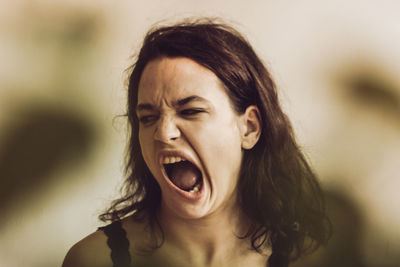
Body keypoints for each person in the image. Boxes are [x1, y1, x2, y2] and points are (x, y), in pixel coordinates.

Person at [62, 18, 330, 267]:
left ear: (249, 128)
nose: (164, 133)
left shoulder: (306, 258)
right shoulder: (97, 259)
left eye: (191, 111)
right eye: (148, 117)